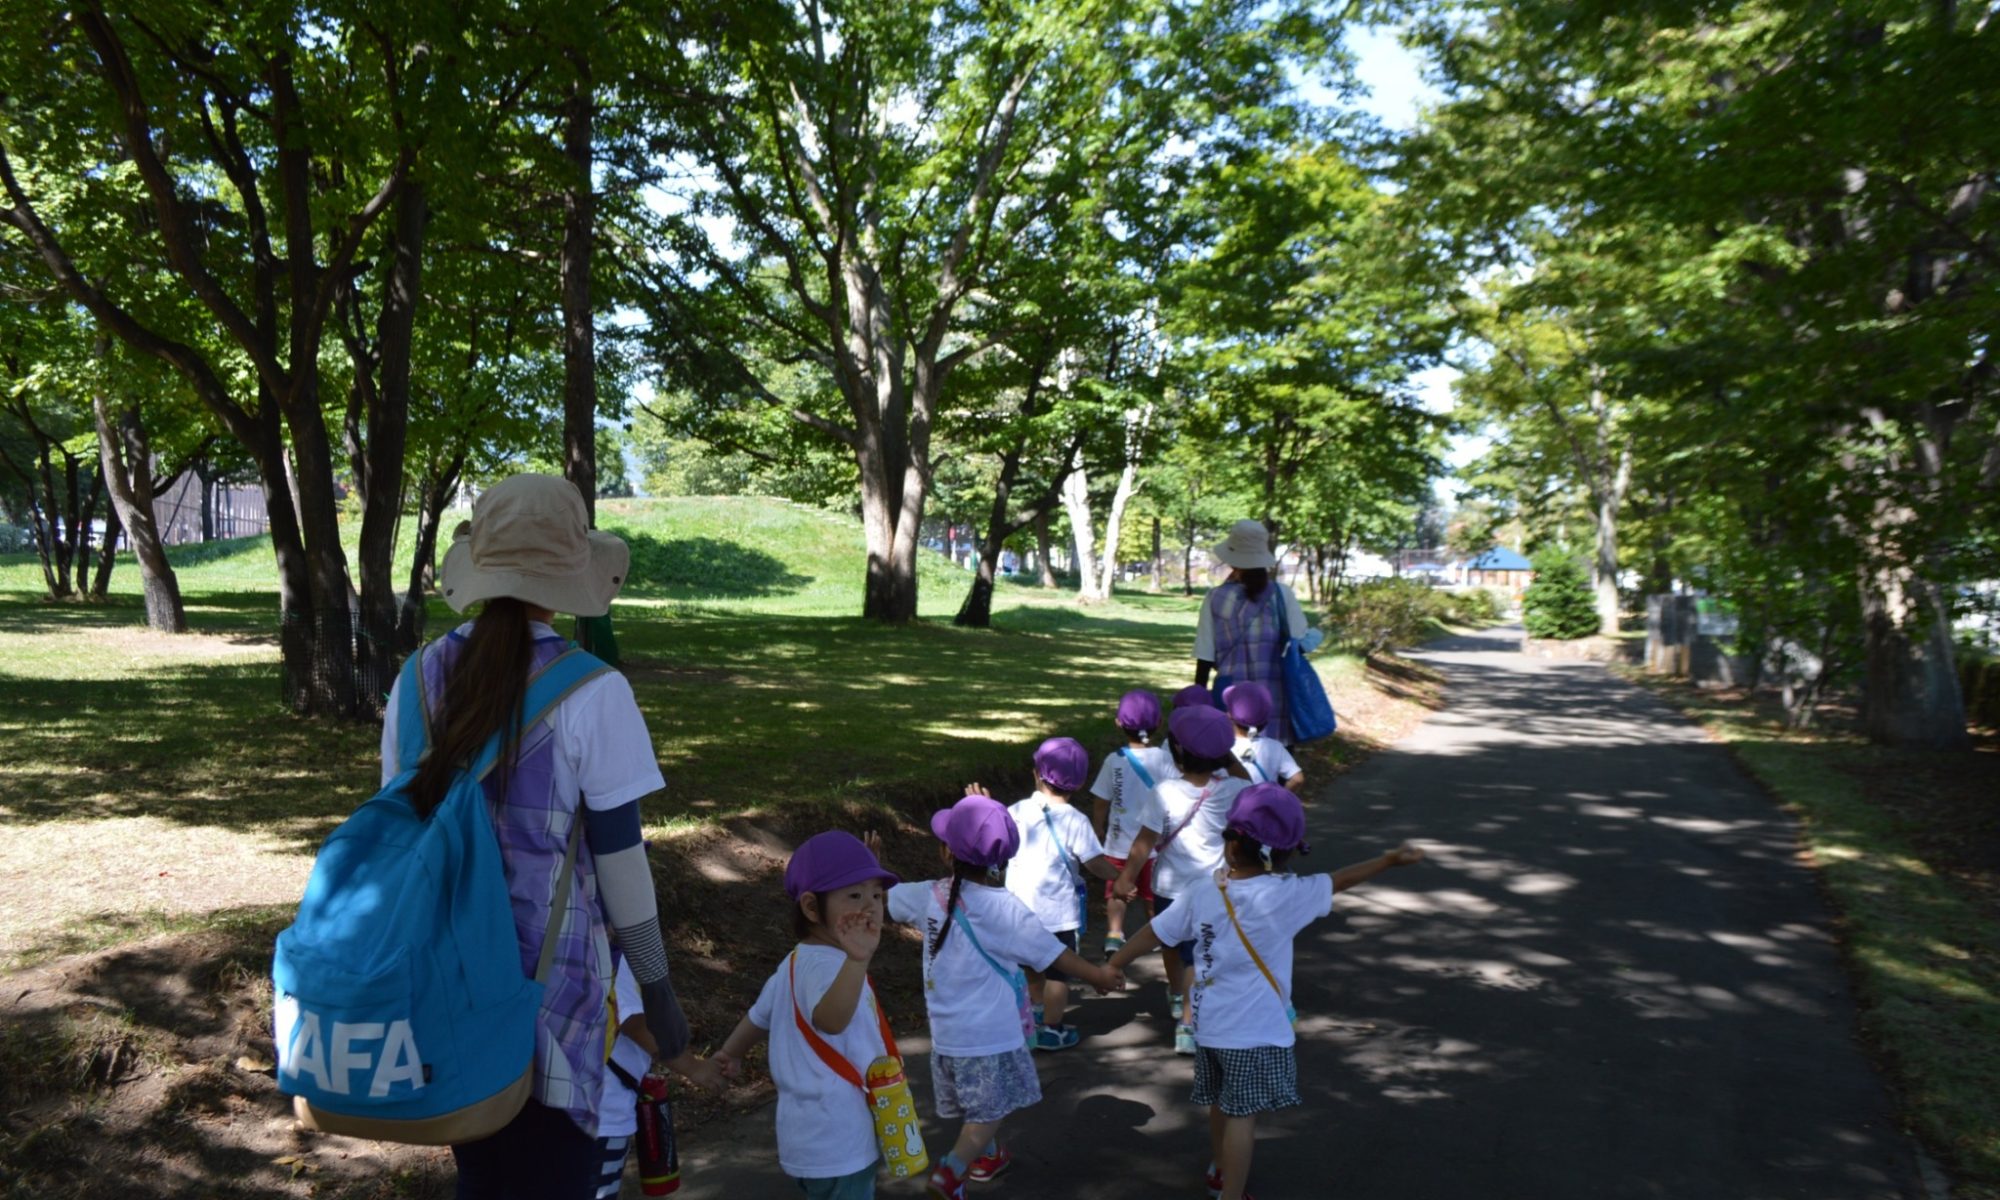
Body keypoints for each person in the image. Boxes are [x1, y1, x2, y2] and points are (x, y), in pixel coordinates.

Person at [381, 474, 719, 1199]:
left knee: (486, 1172)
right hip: (553, 999)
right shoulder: (593, 690)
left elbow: (398, 821)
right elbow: (622, 865)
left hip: (449, 988)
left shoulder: (415, 680)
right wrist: (657, 989)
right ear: (569, 574)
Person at [1107, 784, 1425, 1200]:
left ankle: (1220, 1170)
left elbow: (1156, 932)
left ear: (1232, 843)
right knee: (1243, 1116)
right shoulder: (1286, 895)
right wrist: (1387, 861)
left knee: (1222, 1103)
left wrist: (1114, 963)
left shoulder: (1205, 890)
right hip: (1253, 1031)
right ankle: (1231, 1195)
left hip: (1208, 1025)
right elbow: (1339, 880)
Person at [887, 791, 1120, 1200]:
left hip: (946, 1034)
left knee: (977, 1103)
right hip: (990, 1035)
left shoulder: (930, 895)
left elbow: (884, 900)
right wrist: (1098, 974)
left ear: (946, 853)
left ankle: (986, 1158)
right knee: (991, 1111)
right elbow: (1055, 954)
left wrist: (873, 870)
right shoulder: (1004, 908)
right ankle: (952, 1171)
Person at [711, 831, 903, 1199]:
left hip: (808, 1135)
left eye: (877, 894)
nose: (871, 906)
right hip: (840, 1136)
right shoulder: (833, 966)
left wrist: (731, 1052)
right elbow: (831, 1020)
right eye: (854, 895)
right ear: (812, 908)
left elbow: (758, 1017)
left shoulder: (796, 961)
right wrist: (858, 960)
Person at [1112, 704, 1247, 1055]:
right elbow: (1248, 781)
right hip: (1214, 889)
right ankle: (1190, 1006)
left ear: (1176, 751)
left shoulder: (1165, 792)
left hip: (1170, 889)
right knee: (1200, 954)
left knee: (1173, 945)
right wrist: (1225, 753)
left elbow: (1145, 843)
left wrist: (1126, 877)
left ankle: (1182, 1008)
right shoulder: (1233, 788)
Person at [1004, 737, 1120, 1051]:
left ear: (1037, 774)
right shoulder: (1076, 821)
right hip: (1058, 916)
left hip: (1018, 910)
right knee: (1058, 973)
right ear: (1079, 783)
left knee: (1030, 967)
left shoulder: (1015, 811)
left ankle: (1035, 1012)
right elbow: (1094, 862)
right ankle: (1051, 1030)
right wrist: (1119, 878)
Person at [1194, 520, 1310, 744]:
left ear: (1232, 559)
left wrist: (1198, 700)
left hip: (1231, 699)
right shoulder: (1282, 595)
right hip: (1276, 698)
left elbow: (1205, 654)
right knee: (1276, 765)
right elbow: (1300, 641)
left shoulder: (1215, 598)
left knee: (1232, 767)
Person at [1088, 690, 1175, 959]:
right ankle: (1159, 934)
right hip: (1154, 843)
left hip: (1117, 842)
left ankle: (1114, 934)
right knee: (1153, 894)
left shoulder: (1114, 760)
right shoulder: (1165, 759)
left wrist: (1098, 826)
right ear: (1159, 724)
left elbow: (1102, 799)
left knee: (1117, 891)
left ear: (1118, 723)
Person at [1222, 682, 1304, 795]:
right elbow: (1298, 779)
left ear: (1229, 715)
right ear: (1265, 720)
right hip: (1263, 808)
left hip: (1232, 809)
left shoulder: (1222, 749)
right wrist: (1281, 799)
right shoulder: (1274, 747)